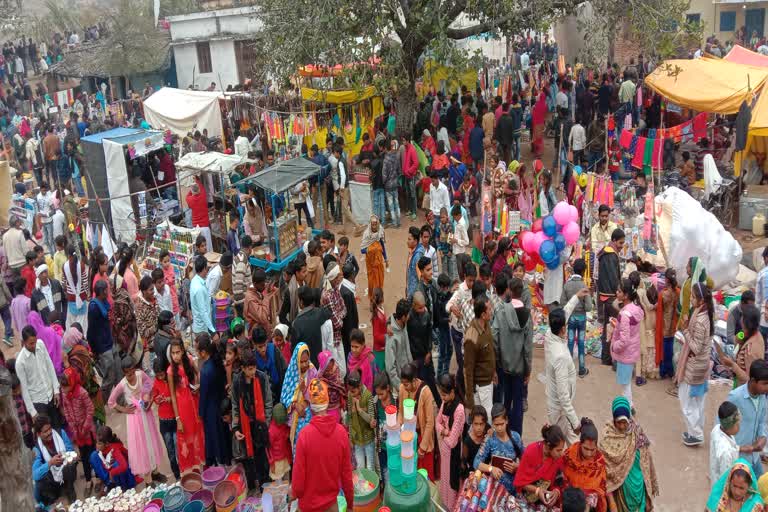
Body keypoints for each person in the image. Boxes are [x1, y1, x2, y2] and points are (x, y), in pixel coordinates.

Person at [291, 378, 355, 512]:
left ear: (311, 405)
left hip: (308, 506)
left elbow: (298, 482)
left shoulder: (304, 436)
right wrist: (349, 504)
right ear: (327, 402)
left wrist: (292, 494)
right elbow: (347, 475)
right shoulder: (341, 433)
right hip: (331, 505)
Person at [107, 355, 165, 485]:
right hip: (134, 419)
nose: (132, 375)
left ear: (135, 369)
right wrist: (124, 409)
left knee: (151, 441)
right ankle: (148, 479)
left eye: (133, 372)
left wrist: (148, 400)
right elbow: (111, 402)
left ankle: (155, 472)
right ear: (124, 372)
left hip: (146, 414)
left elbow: (149, 385)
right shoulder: (122, 385)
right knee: (141, 446)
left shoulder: (140, 375)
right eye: (128, 374)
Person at [545, 288, 592, 444]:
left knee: (570, 443)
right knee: (565, 445)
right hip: (560, 410)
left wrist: (576, 297)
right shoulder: (560, 357)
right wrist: (576, 422)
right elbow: (563, 395)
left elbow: (564, 313)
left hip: (559, 407)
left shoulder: (550, 334)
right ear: (563, 329)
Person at [599, 396, 659, 512]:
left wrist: (647, 496)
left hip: (639, 490)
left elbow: (647, 465)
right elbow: (605, 473)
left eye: (624, 422)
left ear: (629, 419)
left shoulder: (638, 434)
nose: (622, 426)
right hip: (621, 495)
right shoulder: (607, 439)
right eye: (618, 422)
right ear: (613, 419)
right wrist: (611, 502)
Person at [676, 282, 713, 447]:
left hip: (694, 366)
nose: (690, 299)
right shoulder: (705, 314)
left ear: (700, 300)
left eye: (692, 296)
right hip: (701, 365)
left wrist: (685, 331)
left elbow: (696, 347)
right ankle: (695, 431)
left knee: (686, 401)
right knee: (697, 401)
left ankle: (696, 434)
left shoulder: (699, 320)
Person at [232, 348, 273, 490]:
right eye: (250, 369)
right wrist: (236, 427)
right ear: (243, 369)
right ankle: (252, 484)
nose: (253, 371)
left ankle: (264, 484)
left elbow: (268, 402)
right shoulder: (237, 382)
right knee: (248, 458)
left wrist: (265, 424)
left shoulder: (262, 378)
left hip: (260, 426)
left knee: (262, 457)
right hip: (245, 426)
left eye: (254, 367)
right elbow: (235, 406)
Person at [167, 339, 205, 472]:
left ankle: (202, 466)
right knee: (187, 437)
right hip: (183, 410)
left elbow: (198, 373)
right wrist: (177, 419)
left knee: (199, 433)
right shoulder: (171, 371)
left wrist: (199, 385)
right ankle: (192, 471)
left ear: (183, 351)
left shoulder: (189, 360)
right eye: (173, 353)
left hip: (195, 402)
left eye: (178, 352)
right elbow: (172, 395)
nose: (176, 356)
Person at [725, 360, 768, 477]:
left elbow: (762, 421)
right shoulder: (735, 397)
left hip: (754, 457)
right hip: (739, 458)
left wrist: (763, 437)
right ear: (753, 381)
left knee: (760, 488)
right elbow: (720, 429)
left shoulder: (762, 397)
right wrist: (739, 448)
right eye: (765, 383)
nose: (767, 387)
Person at [59, 368, 96, 493]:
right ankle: (88, 480)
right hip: (77, 432)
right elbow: (67, 412)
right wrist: (74, 429)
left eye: (65, 387)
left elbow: (90, 409)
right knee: (84, 456)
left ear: (72, 382)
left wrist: (85, 427)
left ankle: (99, 478)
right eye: (62, 387)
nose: (63, 390)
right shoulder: (65, 395)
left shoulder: (82, 393)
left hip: (87, 431)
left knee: (93, 455)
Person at [16, 325, 62, 426]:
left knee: (57, 427)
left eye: (35, 342)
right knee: (46, 433)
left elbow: (49, 365)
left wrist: (56, 390)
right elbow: (24, 389)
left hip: (51, 395)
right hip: (38, 402)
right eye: (31, 343)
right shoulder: (20, 362)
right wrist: (33, 412)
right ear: (24, 343)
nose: (34, 345)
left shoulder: (40, 344)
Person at [398, 362, 437, 479]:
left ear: (414, 380)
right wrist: (399, 429)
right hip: (408, 437)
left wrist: (423, 447)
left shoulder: (426, 392)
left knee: (425, 475)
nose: (405, 387)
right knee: (410, 471)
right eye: (403, 384)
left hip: (422, 437)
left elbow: (430, 422)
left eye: (407, 384)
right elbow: (400, 411)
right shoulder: (402, 388)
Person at [474, 402, 524, 493]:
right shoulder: (489, 439)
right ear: (492, 423)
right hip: (494, 491)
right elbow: (476, 463)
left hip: (514, 490)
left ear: (507, 421)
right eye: (496, 425)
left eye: (502, 424)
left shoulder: (516, 437)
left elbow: (526, 462)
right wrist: (491, 469)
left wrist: (517, 467)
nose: (500, 428)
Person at [515, 424, 567, 508]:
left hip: (546, 498)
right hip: (526, 498)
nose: (561, 453)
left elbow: (559, 480)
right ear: (548, 446)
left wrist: (556, 492)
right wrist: (538, 491)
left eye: (562, 449)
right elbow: (520, 483)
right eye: (558, 450)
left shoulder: (558, 458)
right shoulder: (531, 451)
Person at [197, 333, 230, 466]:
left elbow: (203, 395)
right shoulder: (217, 362)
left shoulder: (205, 370)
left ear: (203, 352)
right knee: (222, 433)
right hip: (220, 402)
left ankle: (217, 462)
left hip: (210, 408)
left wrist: (200, 413)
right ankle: (225, 459)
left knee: (213, 436)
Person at [562, 418, 608, 512]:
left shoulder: (599, 461)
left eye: (592, 450)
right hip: (570, 503)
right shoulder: (569, 455)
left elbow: (602, 488)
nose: (589, 454)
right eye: (586, 448)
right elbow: (562, 480)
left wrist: (591, 498)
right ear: (580, 443)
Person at [31, 414, 76, 508]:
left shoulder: (60, 433)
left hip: (66, 471)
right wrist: (50, 463)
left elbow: (70, 449)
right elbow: (35, 474)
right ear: (39, 434)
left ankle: (70, 489)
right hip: (52, 478)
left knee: (70, 465)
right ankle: (53, 499)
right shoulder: (37, 449)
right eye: (45, 431)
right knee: (38, 484)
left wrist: (65, 457)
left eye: (49, 429)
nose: (49, 433)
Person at [436, 373, 465, 510]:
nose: (442, 398)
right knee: (445, 480)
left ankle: (452, 507)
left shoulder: (459, 410)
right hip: (444, 450)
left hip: (453, 453)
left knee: (452, 482)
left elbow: (453, 441)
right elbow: (437, 422)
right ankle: (446, 505)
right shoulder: (445, 402)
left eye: (445, 395)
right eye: (441, 395)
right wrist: (445, 431)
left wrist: (443, 432)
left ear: (452, 391)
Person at [280, 342, 317, 448]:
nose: (305, 364)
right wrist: (296, 405)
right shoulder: (291, 373)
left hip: (310, 416)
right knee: (299, 447)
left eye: (306, 361)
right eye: (301, 362)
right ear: (296, 361)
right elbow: (284, 396)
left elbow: (316, 396)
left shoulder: (312, 371)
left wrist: (304, 390)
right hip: (295, 420)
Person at [464, 295, 495, 417]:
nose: (491, 311)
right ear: (483, 314)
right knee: (484, 422)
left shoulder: (486, 325)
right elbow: (468, 371)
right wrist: (470, 402)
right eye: (489, 309)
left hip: (488, 383)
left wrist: (494, 372)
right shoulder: (472, 338)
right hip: (480, 389)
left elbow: (489, 351)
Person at [560, 259, 593, 376]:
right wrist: (582, 305)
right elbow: (589, 307)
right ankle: (582, 369)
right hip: (582, 318)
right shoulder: (584, 286)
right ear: (584, 271)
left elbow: (562, 303)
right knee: (581, 343)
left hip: (571, 317)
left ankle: (568, 369)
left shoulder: (567, 285)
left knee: (569, 341)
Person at [150, 358, 181, 480]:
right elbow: (155, 398)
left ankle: (183, 471)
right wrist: (158, 399)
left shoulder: (171, 379)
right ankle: (177, 475)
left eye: (162, 374)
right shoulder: (156, 383)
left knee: (178, 447)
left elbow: (177, 395)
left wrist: (169, 399)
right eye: (158, 375)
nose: (160, 377)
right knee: (171, 452)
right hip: (164, 421)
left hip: (174, 418)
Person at [598, 229, 624, 366]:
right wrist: (619, 292)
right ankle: (611, 358)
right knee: (613, 328)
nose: (621, 245)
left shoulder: (605, 252)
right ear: (614, 240)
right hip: (611, 297)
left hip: (604, 295)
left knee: (607, 326)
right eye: (620, 242)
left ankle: (606, 357)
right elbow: (614, 278)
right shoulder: (611, 255)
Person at [88, 280, 118, 397]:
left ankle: (120, 401)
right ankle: (103, 401)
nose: (108, 291)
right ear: (102, 291)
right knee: (109, 377)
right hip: (102, 347)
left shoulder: (105, 302)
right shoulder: (94, 308)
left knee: (117, 373)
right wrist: (95, 351)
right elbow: (91, 331)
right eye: (107, 289)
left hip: (110, 341)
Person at [723, 304, 763, 388]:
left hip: (744, 391)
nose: (740, 319)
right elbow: (737, 339)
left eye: (742, 317)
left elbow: (749, 380)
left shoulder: (750, 349)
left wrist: (733, 365)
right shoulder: (754, 333)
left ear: (746, 323)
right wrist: (739, 338)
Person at [292, 286, 331, 368]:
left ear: (301, 302)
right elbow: (328, 312)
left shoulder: (297, 323)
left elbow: (294, 350)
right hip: (318, 362)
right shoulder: (319, 313)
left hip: (305, 365)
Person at [90, 426, 137, 492]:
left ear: (107, 444)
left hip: (124, 474)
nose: (96, 445)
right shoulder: (103, 447)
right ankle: (109, 483)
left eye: (99, 444)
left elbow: (124, 466)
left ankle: (122, 487)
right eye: (96, 443)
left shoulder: (115, 448)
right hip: (109, 468)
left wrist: (112, 473)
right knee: (93, 456)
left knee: (116, 464)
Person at [347, 369, 376, 472]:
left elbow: (371, 420)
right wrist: (350, 438)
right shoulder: (350, 395)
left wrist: (359, 410)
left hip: (368, 438)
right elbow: (350, 418)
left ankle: (373, 487)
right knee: (360, 467)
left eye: (353, 391)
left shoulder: (368, 396)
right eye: (350, 391)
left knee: (370, 468)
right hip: (357, 438)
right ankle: (362, 488)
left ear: (359, 386)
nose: (352, 394)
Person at [320, 262, 348, 369]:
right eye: (338, 276)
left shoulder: (335, 289)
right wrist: (340, 314)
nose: (340, 278)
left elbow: (344, 308)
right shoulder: (327, 296)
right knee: (337, 370)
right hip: (332, 340)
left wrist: (339, 314)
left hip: (337, 337)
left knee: (342, 371)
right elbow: (338, 324)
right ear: (334, 278)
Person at [711, 401, 744, 484]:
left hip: (715, 475)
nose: (739, 426)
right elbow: (726, 481)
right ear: (731, 425)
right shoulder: (726, 453)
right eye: (737, 424)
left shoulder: (717, 428)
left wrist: (740, 449)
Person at [253, 326, 287, 404]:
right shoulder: (253, 358)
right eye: (260, 347)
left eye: (265, 345)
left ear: (267, 341)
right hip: (264, 397)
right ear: (254, 344)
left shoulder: (274, 350)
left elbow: (284, 369)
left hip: (279, 391)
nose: (263, 349)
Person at [657, 268, 679, 379]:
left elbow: (659, 309)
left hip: (664, 324)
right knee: (671, 348)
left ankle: (663, 370)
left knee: (664, 347)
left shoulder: (663, 294)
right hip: (674, 325)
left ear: (666, 279)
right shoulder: (678, 292)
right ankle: (671, 370)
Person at [386, 298, 412, 391]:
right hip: (400, 385)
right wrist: (400, 387)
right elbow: (390, 367)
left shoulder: (403, 325)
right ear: (403, 317)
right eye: (408, 314)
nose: (410, 316)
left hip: (409, 376)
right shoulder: (391, 337)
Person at [361, 215, 388, 301]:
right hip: (371, 265)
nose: (374, 226)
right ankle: (372, 301)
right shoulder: (367, 234)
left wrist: (386, 259)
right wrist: (371, 249)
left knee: (379, 283)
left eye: (375, 224)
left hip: (379, 264)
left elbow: (382, 247)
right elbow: (362, 250)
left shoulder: (380, 232)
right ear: (370, 224)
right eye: (372, 224)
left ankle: (379, 301)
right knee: (372, 283)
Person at [62, 244, 88, 331]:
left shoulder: (64, 267)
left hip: (71, 298)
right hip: (82, 296)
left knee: (74, 324)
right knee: (83, 325)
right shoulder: (81, 265)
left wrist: (67, 292)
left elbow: (64, 283)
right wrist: (87, 294)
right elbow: (85, 282)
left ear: (67, 255)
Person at [190, 256, 216, 337]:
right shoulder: (199, 288)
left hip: (200, 325)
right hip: (202, 329)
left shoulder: (195, 280)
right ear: (204, 268)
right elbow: (203, 312)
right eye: (207, 268)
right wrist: (212, 331)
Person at [244, 268, 274, 335]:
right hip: (257, 335)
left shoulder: (258, 289)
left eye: (264, 284)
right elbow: (263, 317)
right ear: (255, 284)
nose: (264, 287)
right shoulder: (250, 299)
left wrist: (269, 288)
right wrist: (266, 297)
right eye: (262, 285)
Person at [186, 177, 212, 251]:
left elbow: (187, 196)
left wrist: (191, 190)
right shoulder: (203, 195)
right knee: (208, 249)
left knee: (199, 250)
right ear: (199, 190)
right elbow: (201, 186)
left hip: (196, 229)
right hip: (205, 227)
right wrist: (197, 180)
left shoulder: (190, 200)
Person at [347, 329, 377, 393]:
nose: (354, 350)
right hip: (354, 394)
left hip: (368, 396)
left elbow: (375, 378)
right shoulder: (350, 356)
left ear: (363, 345)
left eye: (356, 347)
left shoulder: (370, 358)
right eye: (352, 346)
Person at [268, 403, 291, 481]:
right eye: (279, 423)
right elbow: (268, 448)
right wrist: (271, 463)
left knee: (287, 479)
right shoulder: (271, 430)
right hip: (276, 462)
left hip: (285, 458)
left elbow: (287, 438)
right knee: (278, 483)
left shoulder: (285, 425)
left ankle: (287, 492)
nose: (280, 424)